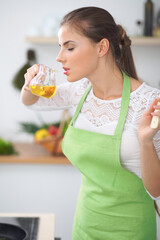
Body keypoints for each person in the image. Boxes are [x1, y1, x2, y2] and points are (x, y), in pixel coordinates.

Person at [21, 6, 160, 240]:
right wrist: (29, 84)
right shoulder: (81, 91)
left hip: (131, 231)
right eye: (60, 47)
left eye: (70, 47)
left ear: (102, 47)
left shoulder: (148, 102)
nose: (59, 57)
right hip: (85, 226)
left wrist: (146, 142)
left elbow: (156, 190)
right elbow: (33, 102)